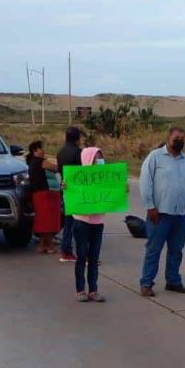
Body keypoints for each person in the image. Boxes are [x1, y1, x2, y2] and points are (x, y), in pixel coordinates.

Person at [139, 127, 185, 296]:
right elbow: (145, 183)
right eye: (176, 138)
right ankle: (146, 283)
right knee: (154, 250)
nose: (179, 141)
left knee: (176, 250)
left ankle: (173, 281)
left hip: (181, 214)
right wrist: (150, 207)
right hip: (159, 214)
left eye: (182, 138)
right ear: (168, 138)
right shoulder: (155, 157)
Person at [72, 146, 108, 302]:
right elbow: (70, 194)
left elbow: (113, 193)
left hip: (98, 222)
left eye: (100, 158)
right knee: (81, 256)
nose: (98, 161)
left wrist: (122, 189)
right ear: (88, 160)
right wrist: (65, 187)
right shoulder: (78, 177)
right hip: (81, 222)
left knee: (94, 257)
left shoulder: (105, 177)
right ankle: (80, 290)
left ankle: (93, 290)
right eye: (95, 158)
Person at [26, 140, 62, 254]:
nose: (43, 151)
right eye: (41, 148)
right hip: (43, 194)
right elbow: (56, 168)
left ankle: (43, 245)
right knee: (48, 221)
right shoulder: (41, 161)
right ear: (34, 150)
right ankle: (49, 245)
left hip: (36, 194)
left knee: (42, 220)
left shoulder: (31, 162)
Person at [56, 126, 84, 263]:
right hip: (77, 191)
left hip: (65, 189)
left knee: (68, 222)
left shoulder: (61, 152)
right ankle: (76, 251)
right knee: (80, 223)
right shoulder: (78, 152)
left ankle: (65, 250)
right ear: (78, 138)